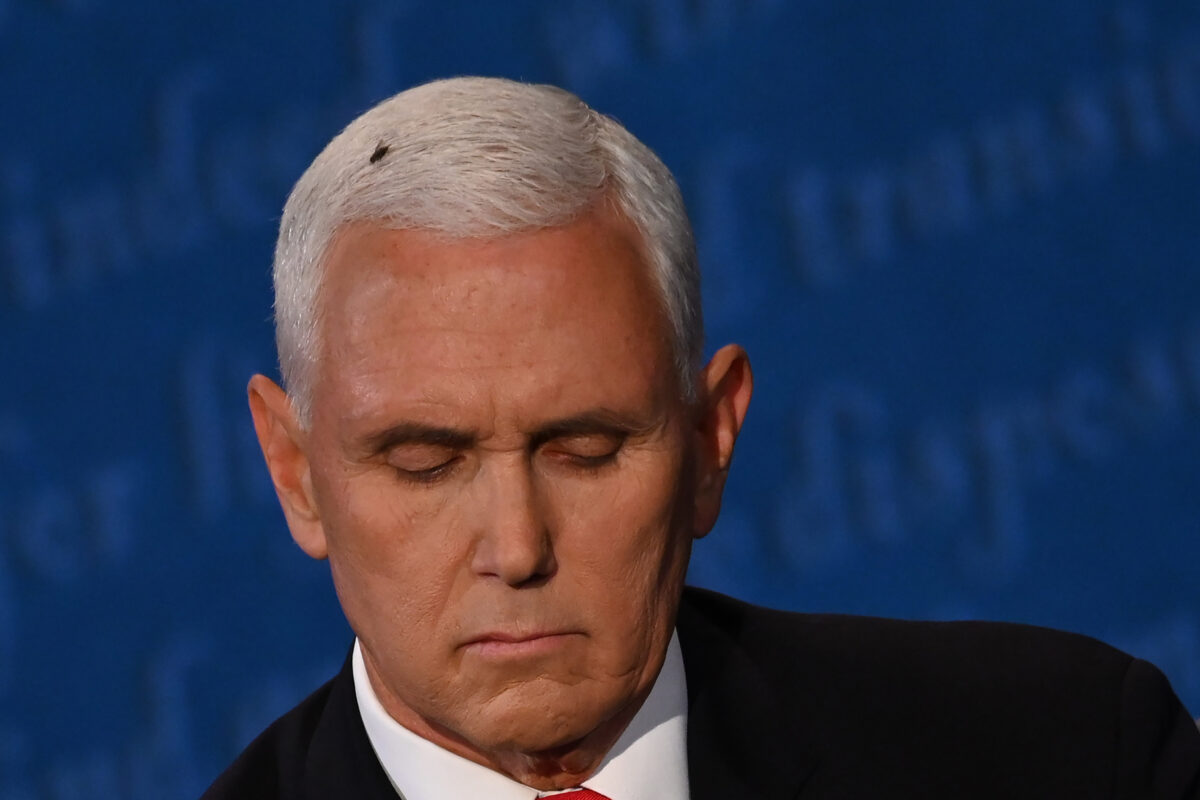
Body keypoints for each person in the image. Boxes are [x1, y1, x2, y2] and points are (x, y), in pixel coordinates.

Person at [201, 76, 1200, 799]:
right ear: (294, 472)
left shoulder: (1065, 756)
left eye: (584, 448)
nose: (516, 546)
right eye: (426, 460)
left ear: (710, 437)